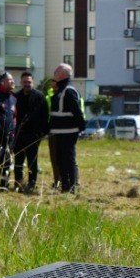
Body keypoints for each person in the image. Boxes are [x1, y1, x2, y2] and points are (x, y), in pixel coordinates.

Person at [46, 63, 86, 193]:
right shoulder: (61, 89)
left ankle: (72, 187)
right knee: (60, 160)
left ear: (62, 74)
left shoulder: (69, 90)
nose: (54, 74)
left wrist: (81, 127)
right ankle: (65, 186)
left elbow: (77, 111)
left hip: (68, 132)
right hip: (58, 132)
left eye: (56, 72)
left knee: (68, 159)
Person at [13, 70, 48, 192]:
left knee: (32, 161)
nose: (27, 84)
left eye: (29, 82)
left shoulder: (39, 97)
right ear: (21, 82)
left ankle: (32, 184)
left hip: (33, 135)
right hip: (19, 135)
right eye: (25, 82)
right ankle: (18, 183)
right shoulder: (16, 97)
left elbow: (45, 116)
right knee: (18, 160)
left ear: (33, 82)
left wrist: (42, 133)